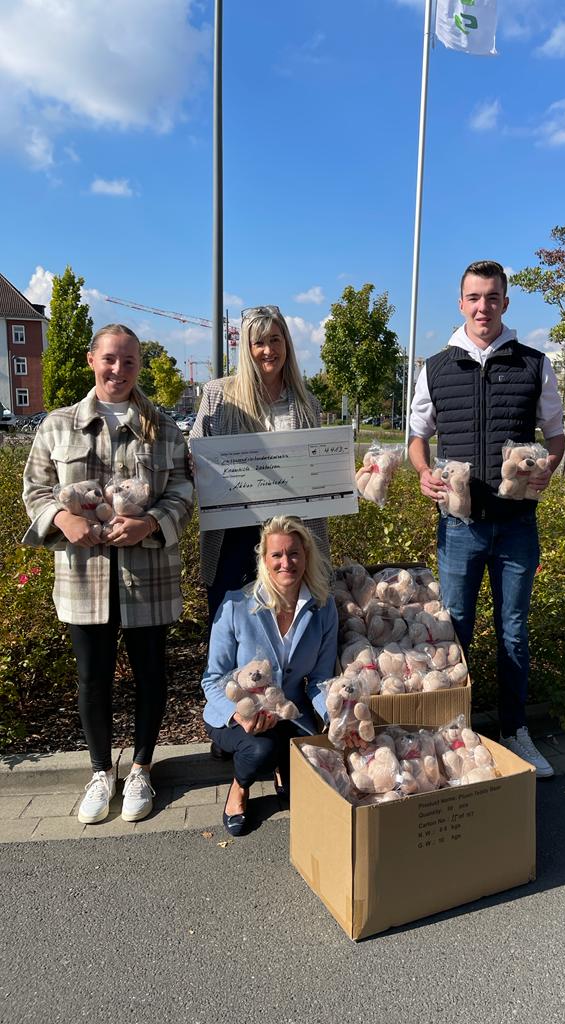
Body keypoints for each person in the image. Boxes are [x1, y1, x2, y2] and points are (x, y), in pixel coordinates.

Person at [22, 324, 194, 824]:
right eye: (110, 359)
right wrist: (62, 518)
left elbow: (184, 491)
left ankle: (141, 767)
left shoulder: (163, 427)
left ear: (139, 365)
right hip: (84, 576)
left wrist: (150, 523)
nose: (119, 370)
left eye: (129, 361)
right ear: (92, 360)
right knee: (92, 678)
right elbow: (35, 487)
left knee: (151, 674)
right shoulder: (58, 426)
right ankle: (101, 771)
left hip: (149, 574)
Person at [408, 259, 565, 777]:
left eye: (492, 297)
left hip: (516, 524)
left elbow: (555, 434)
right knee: (455, 630)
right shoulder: (435, 367)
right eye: (474, 298)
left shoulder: (534, 364)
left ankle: (516, 731)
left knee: (513, 631)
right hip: (459, 525)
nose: (483, 307)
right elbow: (417, 438)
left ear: (505, 302)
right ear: (461, 303)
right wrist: (424, 472)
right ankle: (454, 730)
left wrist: (549, 468)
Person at [200, 515, 338, 836]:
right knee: (260, 750)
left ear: (306, 556)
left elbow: (319, 679)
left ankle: (282, 767)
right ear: (264, 559)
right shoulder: (235, 605)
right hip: (240, 712)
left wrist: (333, 718)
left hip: (291, 712)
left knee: (311, 766)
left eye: (294, 553)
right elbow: (212, 678)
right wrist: (238, 715)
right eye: (277, 555)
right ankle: (239, 788)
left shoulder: (323, 607)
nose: (286, 563)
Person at [190, 305, 329, 623]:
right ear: (247, 348)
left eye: (275, 340)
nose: (269, 350)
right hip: (233, 534)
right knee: (230, 621)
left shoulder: (307, 403)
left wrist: (349, 478)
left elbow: (319, 468)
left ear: (286, 344)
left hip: (291, 534)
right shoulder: (218, 395)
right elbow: (195, 453)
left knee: (287, 623)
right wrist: (193, 462)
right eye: (259, 342)